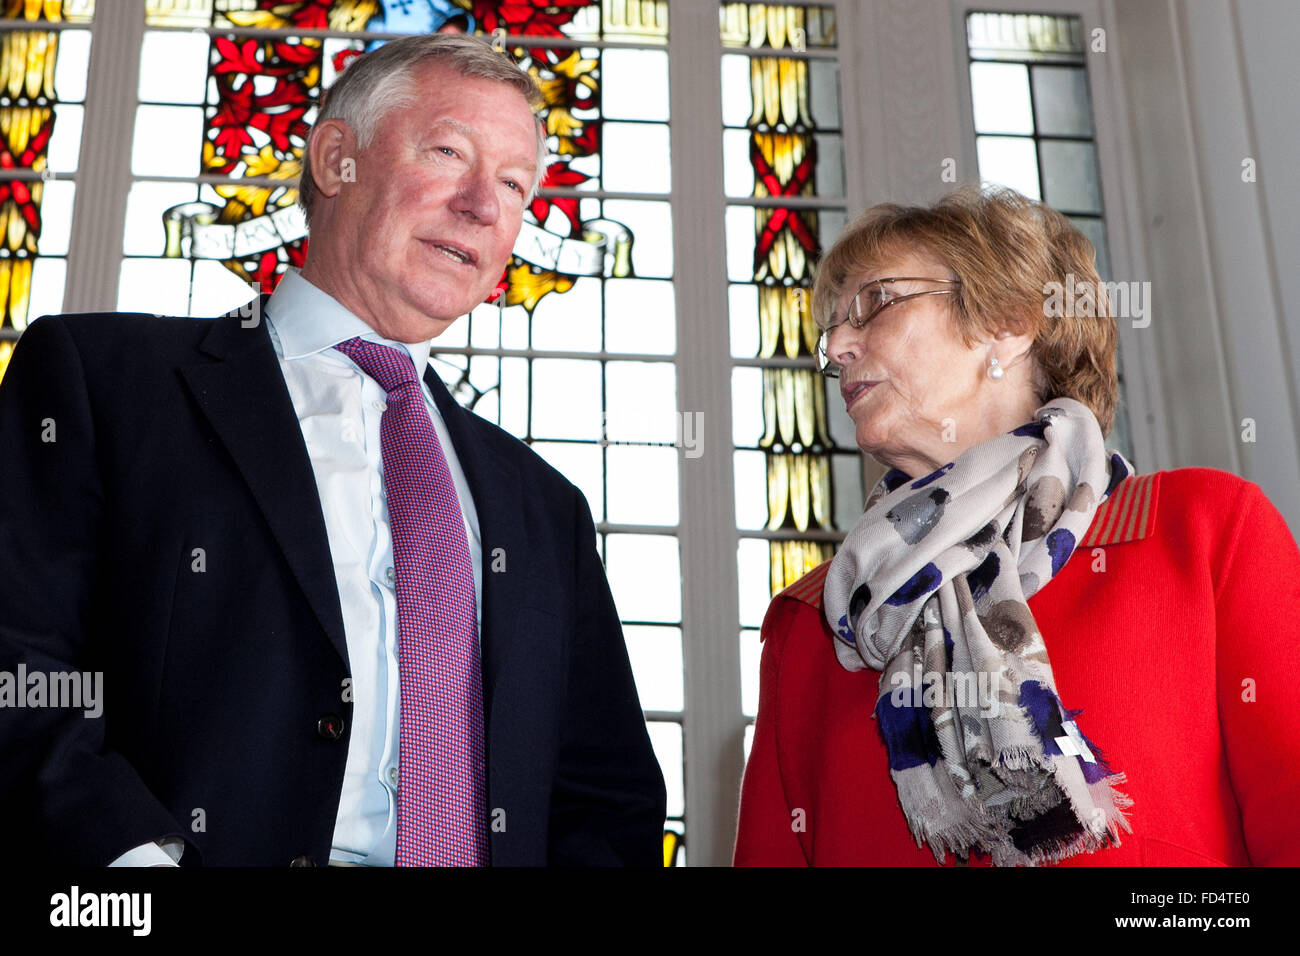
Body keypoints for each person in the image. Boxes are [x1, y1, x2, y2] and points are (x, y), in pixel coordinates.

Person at [0, 34, 665, 867]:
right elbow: (18, 665)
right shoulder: (102, 385)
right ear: (335, 158)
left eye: (514, 186)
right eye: (449, 152)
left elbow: (606, 794)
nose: (484, 207)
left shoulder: (546, 507)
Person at [733, 186, 1300, 866]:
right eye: (831, 330)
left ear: (1008, 321)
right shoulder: (811, 626)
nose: (837, 347)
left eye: (874, 304)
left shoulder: (1201, 533)